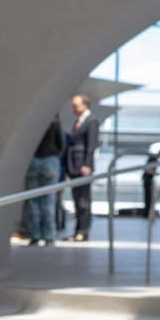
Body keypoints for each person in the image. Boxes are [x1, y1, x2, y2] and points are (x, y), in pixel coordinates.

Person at [25, 115, 65, 246]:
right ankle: (49, 235)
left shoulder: (32, 121)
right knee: (49, 200)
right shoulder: (54, 122)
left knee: (33, 200)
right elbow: (61, 144)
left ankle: (34, 235)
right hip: (50, 162)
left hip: (34, 161)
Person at [65, 94, 99, 242]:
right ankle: (78, 230)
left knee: (84, 201)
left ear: (85, 105)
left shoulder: (91, 121)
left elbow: (91, 145)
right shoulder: (78, 121)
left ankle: (83, 231)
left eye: (76, 106)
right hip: (74, 166)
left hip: (83, 166)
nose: (73, 109)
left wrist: (87, 164)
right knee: (77, 199)